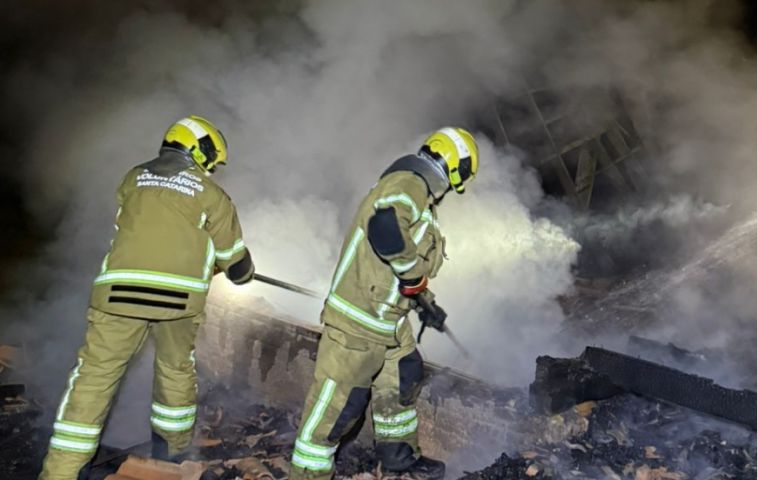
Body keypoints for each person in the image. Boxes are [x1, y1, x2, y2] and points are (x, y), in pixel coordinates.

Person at [39, 115, 255, 480]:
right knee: (175, 370)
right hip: (178, 300)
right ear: (201, 150)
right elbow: (238, 267)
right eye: (213, 161)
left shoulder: (132, 178)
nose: (213, 169)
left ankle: (60, 471)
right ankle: (170, 456)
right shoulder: (212, 195)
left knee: (94, 378)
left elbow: (139, 230)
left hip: (117, 293)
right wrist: (229, 266)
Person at [289, 127, 479, 480]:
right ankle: (307, 473)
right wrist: (412, 277)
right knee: (340, 408)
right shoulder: (408, 184)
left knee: (404, 373)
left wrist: (425, 301)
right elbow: (387, 229)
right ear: (455, 169)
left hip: (389, 322)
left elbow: (400, 265)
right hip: (358, 324)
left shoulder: (417, 193)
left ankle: (398, 456)